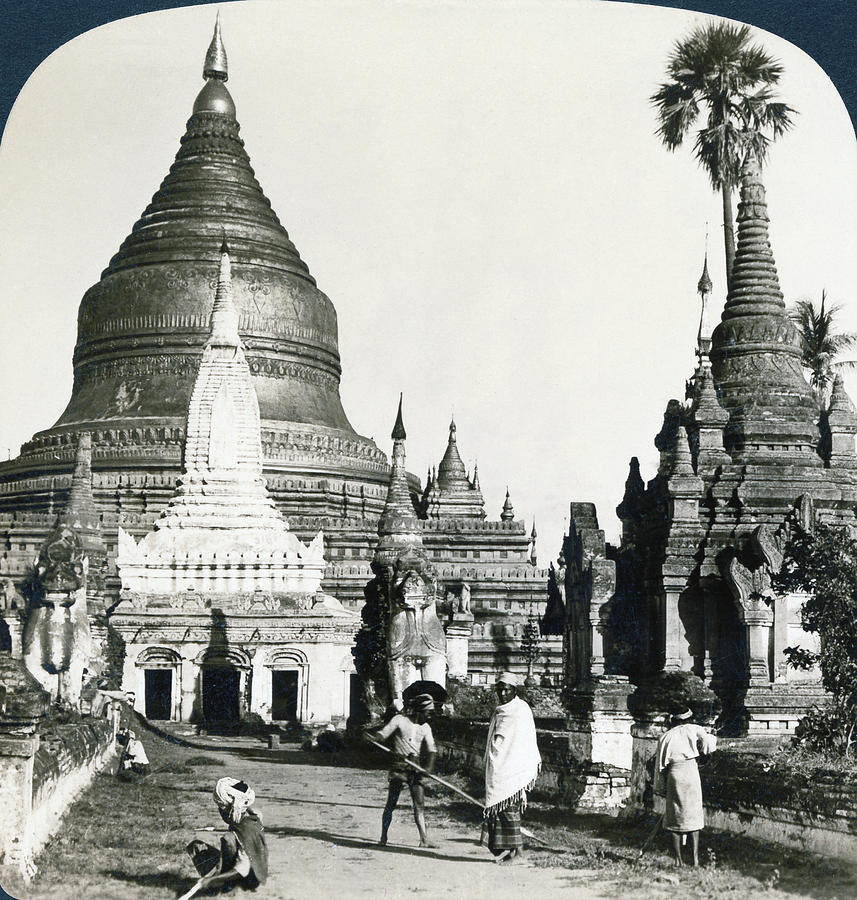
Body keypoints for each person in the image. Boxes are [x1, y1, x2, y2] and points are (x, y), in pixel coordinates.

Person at [483, 672, 541, 864]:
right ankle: (512, 851)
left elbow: (521, 741)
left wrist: (508, 761)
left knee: (509, 811)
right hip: (500, 766)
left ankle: (520, 854)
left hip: (514, 767)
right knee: (503, 811)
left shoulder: (520, 710)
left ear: (514, 690)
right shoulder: (501, 710)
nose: (502, 693)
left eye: (506, 689)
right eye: (499, 689)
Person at [183, 777, 268, 897]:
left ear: (230, 809)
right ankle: (221, 882)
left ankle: (223, 887)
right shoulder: (250, 815)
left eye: (221, 808)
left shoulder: (244, 831)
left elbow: (241, 870)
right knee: (196, 846)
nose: (219, 811)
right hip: (247, 868)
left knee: (228, 840)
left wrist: (211, 880)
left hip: (247, 876)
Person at [372, 692, 438, 848]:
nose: (429, 716)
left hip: (415, 767)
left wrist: (428, 767)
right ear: (419, 711)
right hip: (399, 765)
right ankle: (383, 837)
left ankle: (424, 839)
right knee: (391, 803)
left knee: (419, 804)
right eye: (427, 713)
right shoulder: (399, 720)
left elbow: (432, 750)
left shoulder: (426, 728)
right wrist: (375, 738)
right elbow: (383, 734)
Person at [654, 708, 717, 867]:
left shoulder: (666, 736)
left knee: (674, 814)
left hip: (675, 774)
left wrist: (660, 785)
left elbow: (661, 765)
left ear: (673, 720)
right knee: (693, 813)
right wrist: (702, 748)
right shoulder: (695, 729)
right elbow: (710, 745)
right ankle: (695, 860)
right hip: (691, 773)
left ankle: (678, 860)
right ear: (688, 718)